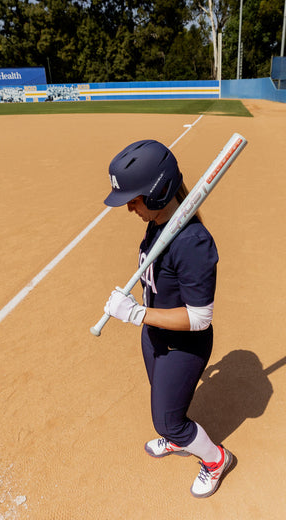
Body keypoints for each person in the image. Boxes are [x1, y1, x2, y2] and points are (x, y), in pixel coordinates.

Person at [103, 139, 233, 498]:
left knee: (166, 420)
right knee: (164, 401)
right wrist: (139, 308)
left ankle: (215, 459)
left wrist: (138, 313)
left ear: (158, 193)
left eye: (134, 199)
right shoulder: (159, 225)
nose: (130, 208)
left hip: (184, 344)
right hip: (155, 335)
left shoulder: (192, 241)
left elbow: (199, 318)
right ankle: (178, 437)